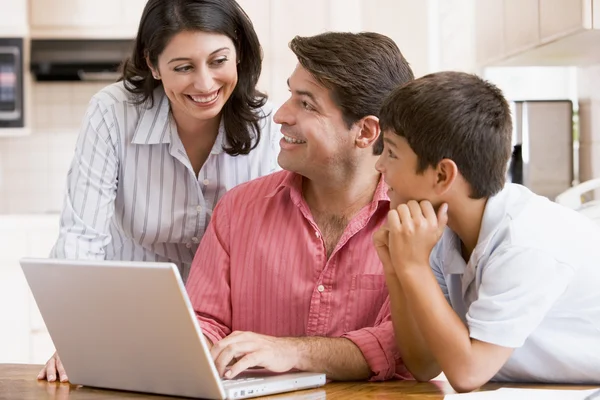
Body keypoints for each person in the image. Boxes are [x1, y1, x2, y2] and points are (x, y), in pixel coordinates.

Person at [40, 0, 281, 383]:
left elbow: (278, 249)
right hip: (126, 330)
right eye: (183, 67)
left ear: (239, 51)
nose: (204, 84)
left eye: (218, 61)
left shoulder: (268, 124)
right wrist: (76, 339)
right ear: (153, 64)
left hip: (230, 342)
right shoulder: (113, 113)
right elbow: (81, 240)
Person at [185, 31, 415, 382]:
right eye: (291, 94)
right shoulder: (237, 209)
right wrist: (194, 345)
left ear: (366, 132)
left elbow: (399, 345)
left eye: (306, 104)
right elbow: (203, 321)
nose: (280, 115)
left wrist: (291, 351)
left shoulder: (414, 222)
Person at [374, 71, 600, 392]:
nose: (379, 165)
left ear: (442, 175)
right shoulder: (446, 231)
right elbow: (424, 364)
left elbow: (468, 373)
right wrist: (396, 268)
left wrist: (412, 266)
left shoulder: (525, 241)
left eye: (391, 152)